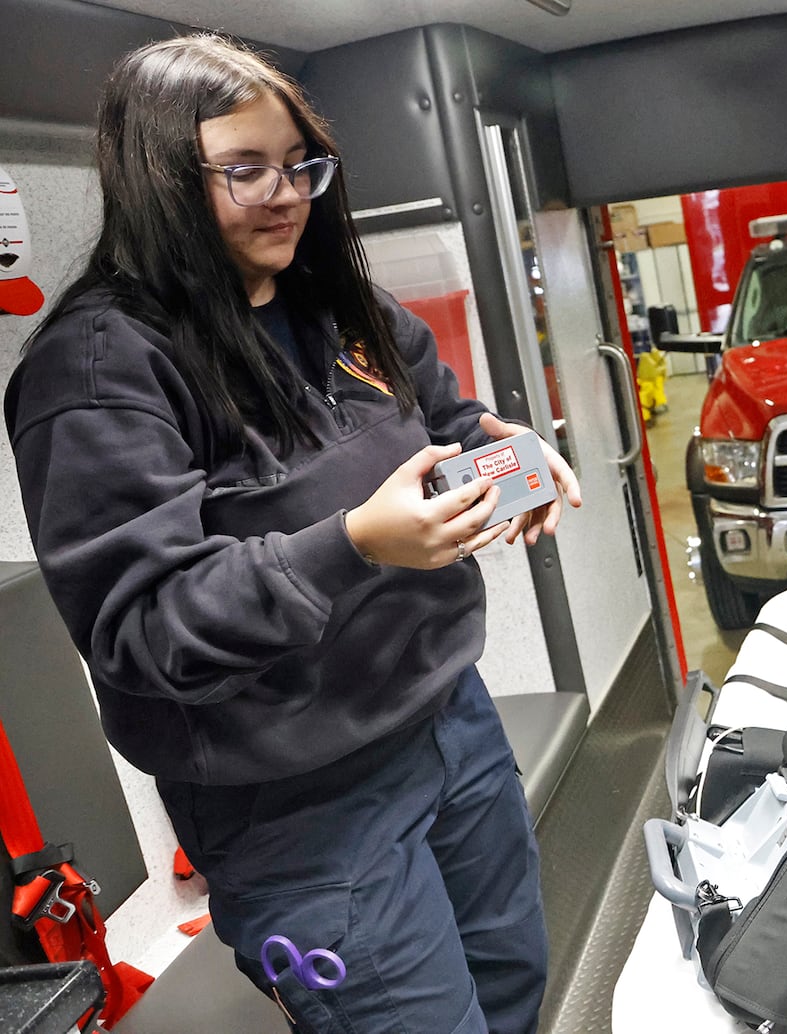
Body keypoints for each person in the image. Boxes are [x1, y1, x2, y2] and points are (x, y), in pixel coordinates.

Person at [4, 34, 580, 1034]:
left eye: (299, 165)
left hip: (451, 722)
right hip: (300, 808)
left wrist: (498, 446)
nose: (286, 194)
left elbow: (438, 413)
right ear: (156, 176)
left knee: (513, 992)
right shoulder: (98, 370)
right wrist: (352, 541)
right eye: (245, 170)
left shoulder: (336, 304)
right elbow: (144, 626)